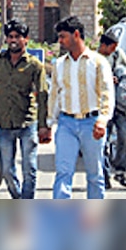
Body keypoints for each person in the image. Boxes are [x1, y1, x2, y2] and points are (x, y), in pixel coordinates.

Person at [0, 19, 50, 199]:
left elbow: (42, 95)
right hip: (4, 123)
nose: (13, 40)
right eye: (10, 36)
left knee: (29, 168)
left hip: (27, 123)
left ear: (26, 39)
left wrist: (44, 125)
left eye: (18, 37)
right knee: (7, 170)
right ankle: (17, 197)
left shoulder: (34, 65)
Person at [48, 15, 113, 200]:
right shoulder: (60, 64)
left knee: (94, 174)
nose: (60, 41)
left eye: (63, 36)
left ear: (76, 35)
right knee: (63, 172)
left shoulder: (98, 62)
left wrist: (102, 120)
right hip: (66, 123)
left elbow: (107, 93)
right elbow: (55, 95)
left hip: (91, 123)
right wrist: (48, 123)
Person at [98, 31, 126, 189]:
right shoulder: (95, 59)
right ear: (104, 46)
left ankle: (120, 170)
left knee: (125, 137)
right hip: (103, 106)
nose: (114, 50)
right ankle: (104, 174)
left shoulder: (117, 53)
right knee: (103, 143)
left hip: (119, 106)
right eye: (112, 47)